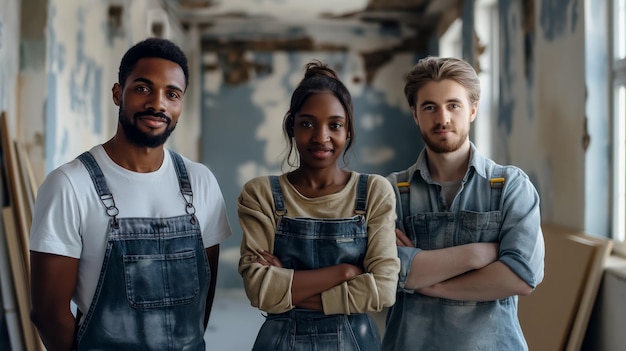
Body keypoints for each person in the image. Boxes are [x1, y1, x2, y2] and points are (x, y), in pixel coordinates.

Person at [29, 37, 232, 351]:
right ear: (117, 93)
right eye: (142, 88)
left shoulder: (200, 182)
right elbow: (49, 314)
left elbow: (201, 303)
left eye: (172, 94)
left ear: (181, 104)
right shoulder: (69, 185)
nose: (157, 103)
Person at [382, 56, 545, 351]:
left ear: (472, 109)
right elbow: (385, 271)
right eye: (429, 107)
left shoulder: (511, 187)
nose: (442, 118)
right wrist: (475, 255)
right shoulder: (391, 192)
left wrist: (429, 284)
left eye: (453, 105)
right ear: (415, 114)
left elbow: (522, 276)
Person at [237, 60, 400, 350]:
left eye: (334, 125)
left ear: (348, 131)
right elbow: (260, 291)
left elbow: (383, 291)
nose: (320, 137)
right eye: (307, 123)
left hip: (355, 342)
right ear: (291, 127)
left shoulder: (375, 192)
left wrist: (287, 289)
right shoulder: (261, 194)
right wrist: (345, 273)